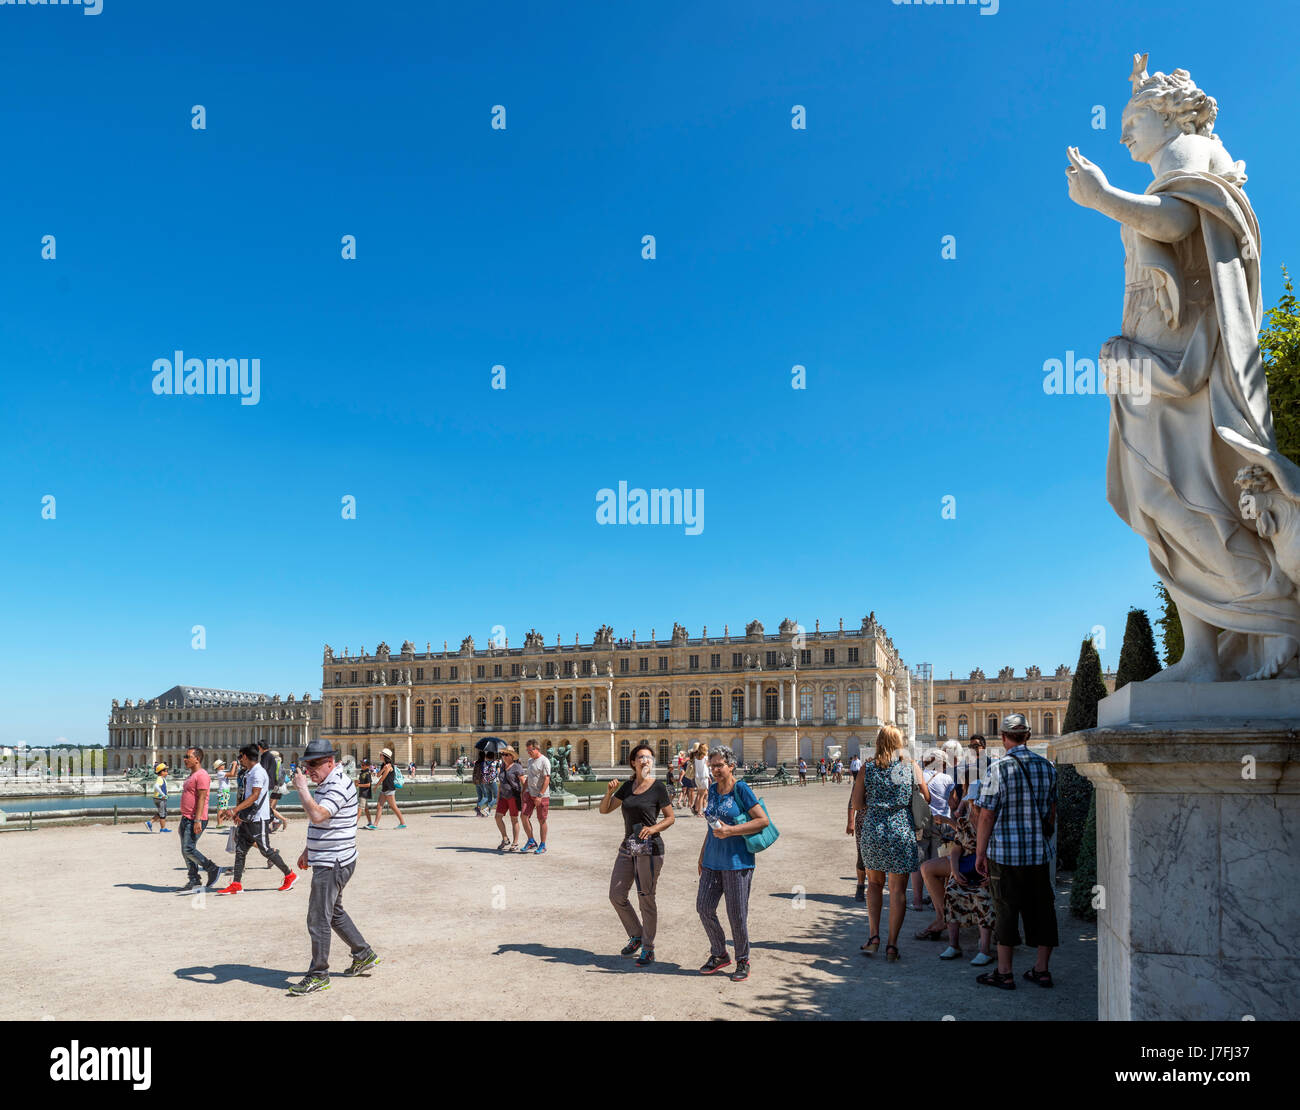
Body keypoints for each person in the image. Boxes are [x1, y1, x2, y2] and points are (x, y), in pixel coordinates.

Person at [287, 738, 380, 996]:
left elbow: (317, 815)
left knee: (318, 918)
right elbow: (328, 822)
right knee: (334, 913)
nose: (309, 770)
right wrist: (309, 849)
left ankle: (319, 974)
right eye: (307, 766)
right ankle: (363, 953)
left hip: (333, 862)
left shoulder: (337, 784)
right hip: (332, 857)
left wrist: (302, 789)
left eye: (314, 764)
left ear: (330, 762)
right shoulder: (329, 782)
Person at [974, 714, 1059, 990]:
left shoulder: (997, 769)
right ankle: (1042, 970)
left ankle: (1004, 972)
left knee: (1006, 910)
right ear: (1029, 736)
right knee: (1043, 910)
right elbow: (1052, 813)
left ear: (1003, 737)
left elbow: (987, 815)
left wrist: (979, 853)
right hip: (1038, 854)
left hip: (1005, 855)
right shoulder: (1047, 767)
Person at [850, 725, 929, 962]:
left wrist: (877, 805)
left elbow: (857, 804)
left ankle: (874, 936)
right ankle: (892, 945)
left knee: (874, 885)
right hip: (901, 830)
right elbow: (927, 797)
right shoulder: (910, 766)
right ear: (899, 743)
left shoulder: (868, 768)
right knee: (897, 890)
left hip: (873, 830)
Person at [696, 744, 769, 982]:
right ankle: (719, 954)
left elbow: (763, 821)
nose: (715, 769)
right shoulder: (713, 790)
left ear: (731, 765)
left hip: (738, 862)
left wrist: (731, 830)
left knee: (736, 914)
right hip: (712, 860)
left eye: (720, 765)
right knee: (704, 908)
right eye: (712, 765)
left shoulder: (741, 789)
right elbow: (712, 825)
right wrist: (702, 854)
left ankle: (742, 959)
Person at [600, 743, 675, 967]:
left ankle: (648, 948)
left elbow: (670, 818)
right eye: (641, 757)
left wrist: (653, 828)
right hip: (628, 845)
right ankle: (637, 934)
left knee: (646, 898)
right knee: (616, 894)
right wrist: (609, 793)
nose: (645, 761)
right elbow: (604, 809)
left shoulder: (658, 787)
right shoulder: (628, 787)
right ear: (633, 762)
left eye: (649, 758)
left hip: (650, 848)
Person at [215, 744, 297, 894]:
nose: (239, 760)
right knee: (240, 850)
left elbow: (255, 796)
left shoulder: (258, 772)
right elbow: (247, 796)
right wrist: (239, 814)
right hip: (249, 817)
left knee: (266, 850)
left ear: (245, 756)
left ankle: (290, 875)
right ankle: (236, 884)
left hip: (259, 818)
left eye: (240, 757)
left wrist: (234, 810)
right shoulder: (250, 772)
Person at [933, 788, 994, 966]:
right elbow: (957, 849)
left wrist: (991, 874)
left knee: (984, 896)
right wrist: (955, 871)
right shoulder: (965, 823)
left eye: (977, 802)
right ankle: (954, 945)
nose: (975, 806)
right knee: (952, 891)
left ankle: (985, 949)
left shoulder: (994, 822)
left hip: (986, 871)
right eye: (972, 802)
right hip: (967, 869)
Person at [911, 749, 956, 911]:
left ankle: (917, 901)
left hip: (921, 821)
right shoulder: (946, 778)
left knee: (918, 861)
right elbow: (953, 802)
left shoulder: (919, 776)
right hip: (942, 821)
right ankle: (936, 899)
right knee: (938, 860)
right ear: (941, 763)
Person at [178, 747, 219, 893]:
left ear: (197, 758)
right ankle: (194, 879)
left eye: (187, 756)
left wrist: (197, 820)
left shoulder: (202, 775)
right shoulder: (192, 775)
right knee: (186, 850)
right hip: (186, 817)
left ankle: (212, 868)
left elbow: (202, 798)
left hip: (195, 818)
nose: (185, 759)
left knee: (188, 848)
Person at [520, 739, 551, 854]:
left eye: (530, 750)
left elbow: (547, 779)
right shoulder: (529, 761)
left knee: (541, 819)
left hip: (541, 795)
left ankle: (543, 845)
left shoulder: (544, 761)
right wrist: (524, 789)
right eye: (527, 750)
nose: (528, 752)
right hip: (530, 793)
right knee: (524, 816)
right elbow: (529, 776)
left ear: (536, 749)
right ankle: (531, 840)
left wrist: (540, 795)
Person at [494, 747, 525, 851]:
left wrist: (524, 797)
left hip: (513, 796)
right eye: (503, 754)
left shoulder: (517, 767)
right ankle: (505, 838)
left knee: (514, 819)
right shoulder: (502, 766)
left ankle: (515, 843)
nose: (504, 756)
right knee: (497, 817)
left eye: (506, 754)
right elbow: (500, 784)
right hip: (503, 796)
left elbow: (523, 783)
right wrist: (498, 797)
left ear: (512, 756)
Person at [371, 749, 407, 829]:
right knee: (379, 806)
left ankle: (403, 823)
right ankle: (375, 825)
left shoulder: (389, 765)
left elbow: (382, 778)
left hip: (390, 789)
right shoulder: (383, 765)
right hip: (385, 788)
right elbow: (378, 775)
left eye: (381, 755)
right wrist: (383, 769)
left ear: (384, 756)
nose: (379, 756)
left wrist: (376, 786)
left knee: (393, 807)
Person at [146, 763, 169, 832]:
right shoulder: (160, 778)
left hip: (159, 798)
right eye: (166, 771)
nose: (167, 772)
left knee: (163, 812)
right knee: (162, 813)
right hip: (159, 798)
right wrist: (163, 794)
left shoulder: (161, 778)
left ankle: (150, 823)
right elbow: (156, 786)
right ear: (162, 772)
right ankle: (162, 828)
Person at [691, 744, 710, 817]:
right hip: (704, 777)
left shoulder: (696, 757)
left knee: (700, 794)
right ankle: (699, 812)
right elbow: (707, 765)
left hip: (697, 777)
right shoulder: (705, 757)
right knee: (702, 795)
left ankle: (698, 809)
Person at [212, 759, 232, 825]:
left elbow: (233, 773)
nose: (224, 765)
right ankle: (219, 824)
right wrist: (234, 765)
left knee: (223, 808)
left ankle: (221, 823)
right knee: (221, 809)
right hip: (223, 791)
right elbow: (231, 774)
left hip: (225, 791)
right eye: (222, 764)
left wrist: (234, 767)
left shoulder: (222, 772)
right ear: (219, 767)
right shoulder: (220, 772)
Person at [357, 760, 375, 828]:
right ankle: (370, 822)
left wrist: (359, 785)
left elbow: (368, 784)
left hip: (364, 793)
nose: (361, 766)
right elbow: (362, 782)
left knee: (360, 809)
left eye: (363, 765)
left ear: (367, 766)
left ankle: (354, 824)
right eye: (361, 764)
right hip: (362, 793)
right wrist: (358, 782)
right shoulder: (362, 773)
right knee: (366, 809)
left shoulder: (367, 773)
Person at [472, 752, 488, 817]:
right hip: (482, 781)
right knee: (486, 797)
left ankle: (478, 813)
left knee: (480, 797)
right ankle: (478, 807)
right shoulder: (484, 763)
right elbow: (485, 773)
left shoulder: (476, 763)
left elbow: (474, 772)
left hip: (476, 781)